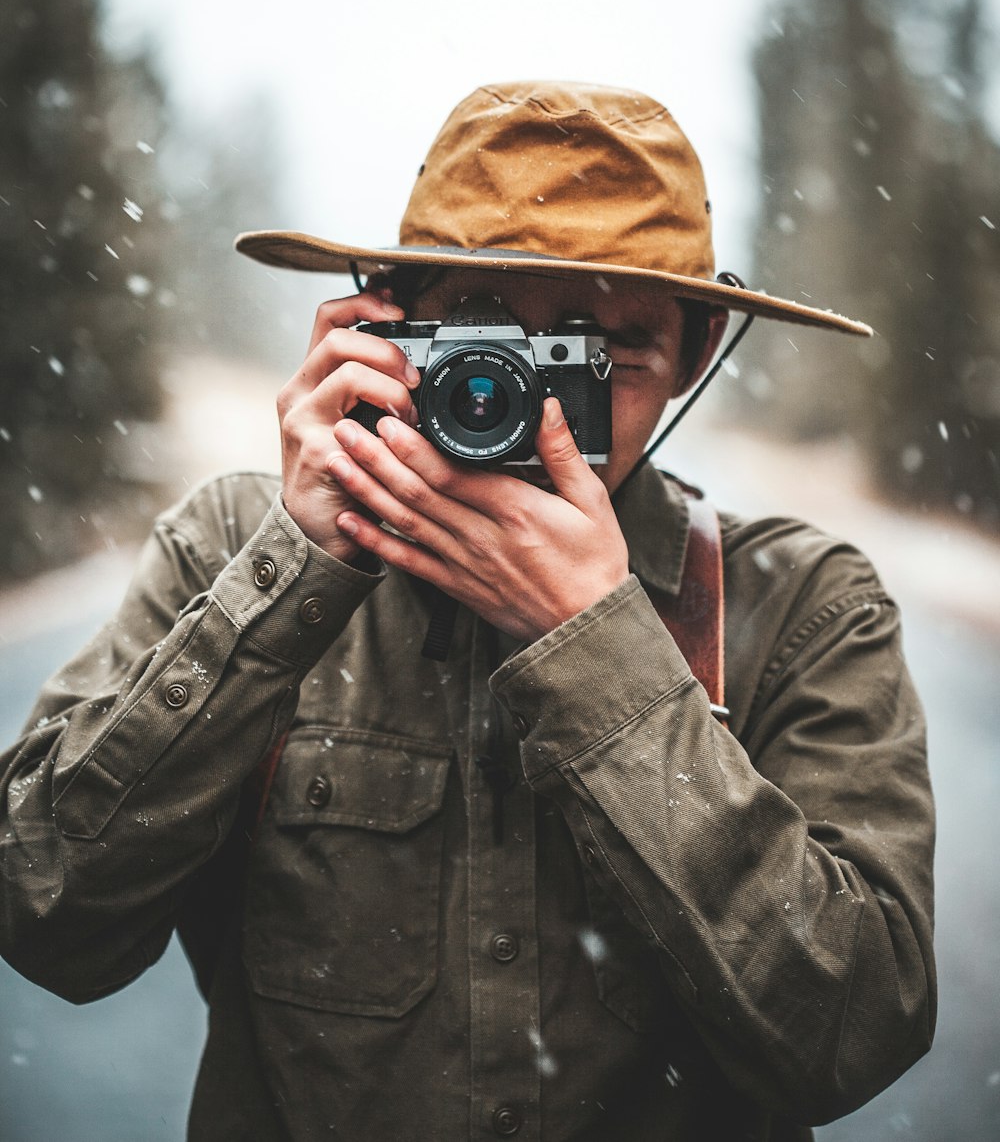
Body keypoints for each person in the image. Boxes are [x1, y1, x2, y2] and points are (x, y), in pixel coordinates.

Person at [0, 81, 934, 1141]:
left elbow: (852, 1031)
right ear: (381, 316)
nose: (522, 402)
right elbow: (47, 916)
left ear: (692, 351)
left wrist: (603, 652)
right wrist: (293, 571)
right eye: (481, 335)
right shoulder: (231, 548)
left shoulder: (804, 606)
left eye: (596, 350)